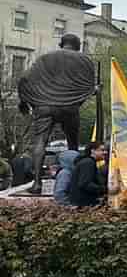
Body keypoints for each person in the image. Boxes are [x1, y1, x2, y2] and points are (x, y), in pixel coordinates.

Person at [18, 33, 96, 194]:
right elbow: (89, 87)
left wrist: (23, 100)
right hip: (69, 106)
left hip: (44, 106)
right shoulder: (84, 60)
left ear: (61, 44)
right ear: (78, 46)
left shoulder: (44, 58)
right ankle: (74, 178)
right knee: (73, 143)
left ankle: (37, 183)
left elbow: (24, 78)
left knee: (40, 142)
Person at [70, 142, 108, 207]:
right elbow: (85, 184)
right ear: (93, 151)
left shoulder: (87, 162)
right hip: (85, 205)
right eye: (102, 150)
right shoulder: (88, 163)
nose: (105, 152)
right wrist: (105, 189)